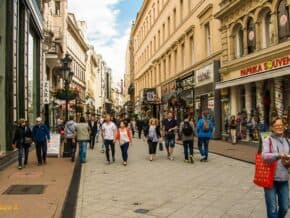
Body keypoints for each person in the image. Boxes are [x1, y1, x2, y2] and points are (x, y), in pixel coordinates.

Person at [262, 117, 290, 218]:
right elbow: (264, 156)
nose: (279, 127)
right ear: (272, 128)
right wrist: (278, 155)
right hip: (270, 180)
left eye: (281, 125)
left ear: (284, 127)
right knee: (272, 209)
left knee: (285, 207)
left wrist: (288, 162)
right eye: (276, 125)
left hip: (283, 179)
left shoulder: (288, 141)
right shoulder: (267, 140)